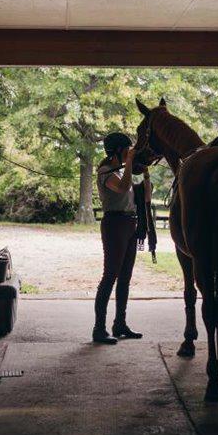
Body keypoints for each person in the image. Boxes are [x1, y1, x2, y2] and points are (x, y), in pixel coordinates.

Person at [93, 131, 145, 344]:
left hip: (129, 223)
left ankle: (120, 324)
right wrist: (131, 162)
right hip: (115, 224)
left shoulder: (122, 171)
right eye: (126, 149)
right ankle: (99, 329)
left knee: (125, 277)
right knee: (110, 276)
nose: (128, 153)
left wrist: (145, 175)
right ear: (117, 150)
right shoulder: (106, 171)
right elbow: (123, 188)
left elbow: (142, 194)